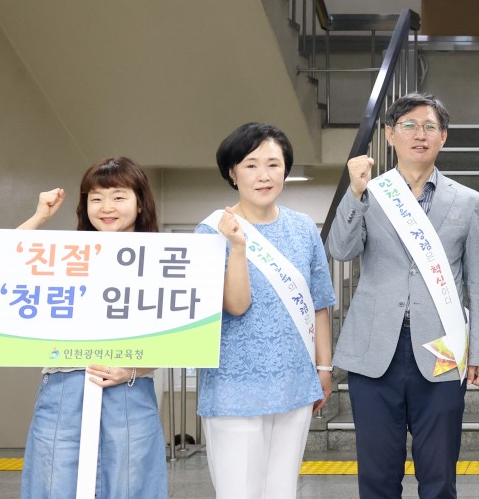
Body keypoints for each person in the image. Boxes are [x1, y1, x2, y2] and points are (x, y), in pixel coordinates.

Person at [326, 93, 479, 499]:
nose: (420, 134)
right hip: (374, 350)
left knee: (439, 476)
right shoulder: (370, 192)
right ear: (390, 134)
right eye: (409, 126)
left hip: (441, 351)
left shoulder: (467, 200)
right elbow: (341, 250)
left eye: (429, 127)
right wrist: (354, 194)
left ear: (443, 137)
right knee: (377, 477)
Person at [196, 123, 336, 498]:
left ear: (285, 170)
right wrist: (238, 248)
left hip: (294, 382)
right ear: (232, 172)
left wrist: (324, 368)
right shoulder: (212, 230)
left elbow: (319, 303)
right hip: (233, 385)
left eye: (274, 164)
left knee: (282, 490)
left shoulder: (303, 228)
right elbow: (236, 305)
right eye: (251, 165)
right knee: (239, 491)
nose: (264, 175)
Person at [17, 157, 166, 499]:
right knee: (54, 486)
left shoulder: (163, 258)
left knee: (130, 487)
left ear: (139, 202)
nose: (106, 207)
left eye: (118, 196)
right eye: (96, 198)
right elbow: (5, 263)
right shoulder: (68, 256)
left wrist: (133, 369)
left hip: (128, 387)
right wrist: (39, 218)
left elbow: (181, 338)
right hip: (64, 387)